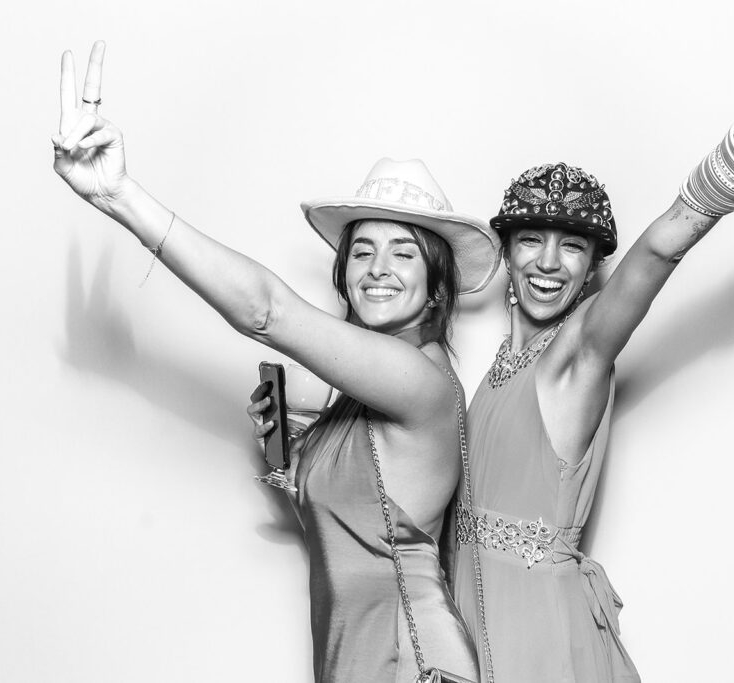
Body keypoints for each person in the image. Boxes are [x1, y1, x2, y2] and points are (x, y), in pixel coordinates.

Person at [448, 2, 734, 682]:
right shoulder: (497, 366)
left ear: (593, 267)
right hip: (473, 614)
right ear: (506, 252)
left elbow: (669, 237)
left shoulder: (578, 354)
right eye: (532, 239)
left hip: (536, 638)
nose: (550, 262)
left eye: (573, 246)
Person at [51, 43, 500, 683]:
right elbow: (357, 535)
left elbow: (266, 311)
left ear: (436, 283)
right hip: (354, 655)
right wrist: (289, 456)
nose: (378, 269)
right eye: (363, 250)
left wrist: (120, 195)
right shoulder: (361, 393)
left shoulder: (419, 379)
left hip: (412, 660)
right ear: (342, 272)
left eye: (404, 253)